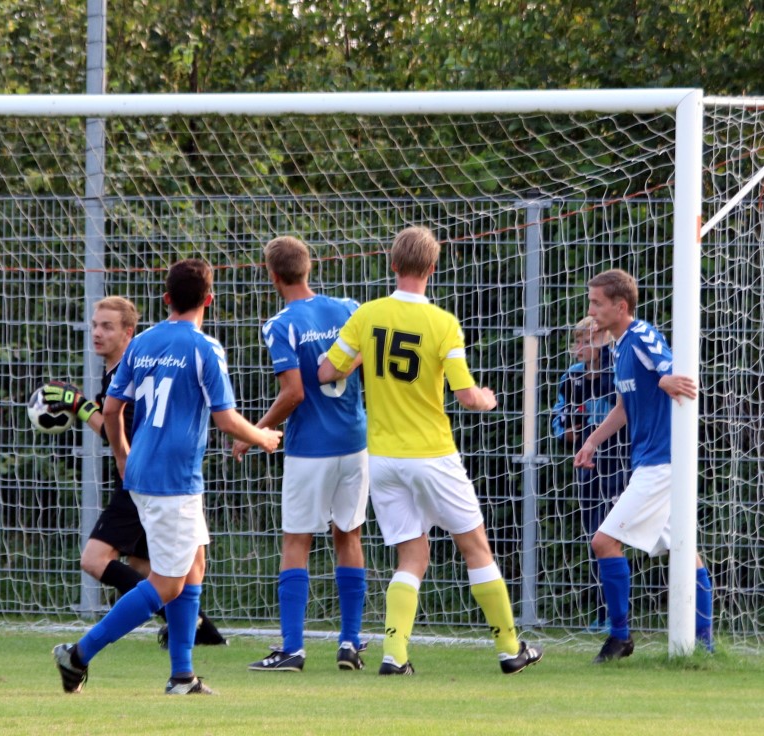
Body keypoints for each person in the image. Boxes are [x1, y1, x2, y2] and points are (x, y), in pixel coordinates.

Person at [319, 226, 542, 676]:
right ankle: (509, 649)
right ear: (433, 269)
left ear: (393, 264)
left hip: (383, 458)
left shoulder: (367, 315)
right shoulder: (443, 323)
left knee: (412, 555)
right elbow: (466, 395)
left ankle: (394, 654)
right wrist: (487, 398)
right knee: (475, 546)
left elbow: (326, 371)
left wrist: (362, 355)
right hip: (432, 454)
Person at [52, 258, 281, 695]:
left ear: (166, 299)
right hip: (171, 479)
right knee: (167, 584)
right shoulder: (205, 348)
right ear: (209, 300)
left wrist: (123, 455)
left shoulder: (141, 344)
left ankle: (182, 675)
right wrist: (263, 437)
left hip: (150, 474)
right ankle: (78, 654)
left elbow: (112, 409)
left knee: (194, 567)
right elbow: (226, 419)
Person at [42, 296, 225, 648]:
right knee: (146, 567)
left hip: (140, 478)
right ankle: (199, 634)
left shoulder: (133, 368)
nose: (97, 333)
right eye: (95, 325)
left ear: (128, 333)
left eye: (107, 327)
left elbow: (122, 428)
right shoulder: (117, 368)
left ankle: (185, 625)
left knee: (95, 560)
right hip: (148, 478)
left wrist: (79, 405)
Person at [231, 236, 370, 673]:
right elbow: (365, 356)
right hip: (355, 442)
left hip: (311, 448)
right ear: (309, 267)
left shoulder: (280, 324)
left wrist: (255, 430)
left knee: (296, 541)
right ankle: (350, 642)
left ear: (273, 276)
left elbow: (293, 393)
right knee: (349, 536)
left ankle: (292, 648)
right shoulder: (348, 308)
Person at [573, 268, 712, 662]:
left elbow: (669, 367)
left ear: (621, 306)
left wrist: (667, 379)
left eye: (597, 303)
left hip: (662, 464)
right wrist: (592, 441)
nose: (591, 310)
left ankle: (620, 637)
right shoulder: (619, 348)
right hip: (651, 462)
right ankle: (704, 647)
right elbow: (623, 407)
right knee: (685, 552)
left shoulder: (642, 335)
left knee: (603, 541)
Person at [553, 316, 630, 632]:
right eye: (577, 341)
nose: (580, 347)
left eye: (587, 340)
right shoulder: (572, 378)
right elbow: (560, 422)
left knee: (614, 537)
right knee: (595, 537)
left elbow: (631, 412)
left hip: (622, 464)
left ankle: (619, 615)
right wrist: (569, 432)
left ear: (605, 342)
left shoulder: (619, 372)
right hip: (589, 466)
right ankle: (603, 614)